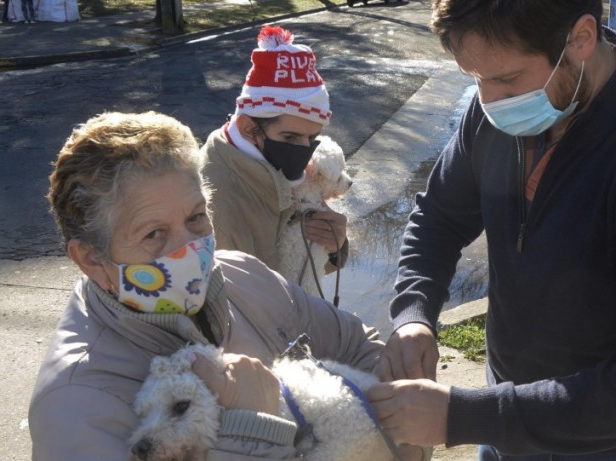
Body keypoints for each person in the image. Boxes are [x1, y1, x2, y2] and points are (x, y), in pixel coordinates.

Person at [367, 1, 616, 459]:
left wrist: (462, 416)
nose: (488, 102)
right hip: (502, 415)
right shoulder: (498, 107)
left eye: (505, 79)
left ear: (580, 38)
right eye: (474, 78)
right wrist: (414, 313)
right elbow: (439, 216)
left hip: (601, 445)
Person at [28, 111, 384, 460]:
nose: (189, 248)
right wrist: (255, 426)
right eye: (154, 234)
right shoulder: (74, 410)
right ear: (91, 259)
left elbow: (361, 347)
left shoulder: (244, 275)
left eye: (196, 217)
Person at [199, 25, 349, 277]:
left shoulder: (269, 163)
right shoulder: (219, 200)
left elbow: (298, 266)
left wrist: (336, 246)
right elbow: (244, 301)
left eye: (312, 137)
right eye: (290, 136)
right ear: (249, 127)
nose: (304, 152)